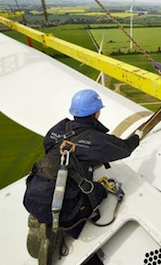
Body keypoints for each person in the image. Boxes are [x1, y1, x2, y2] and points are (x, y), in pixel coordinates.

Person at [23, 89, 141, 261]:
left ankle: (40, 215)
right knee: (99, 192)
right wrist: (137, 136)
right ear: (96, 113)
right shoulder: (95, 140)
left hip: (32, 194)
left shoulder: (58, 128)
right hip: (63, 208)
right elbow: (124, 148)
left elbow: (48, 146)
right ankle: (61, 226)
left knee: (59, 192)